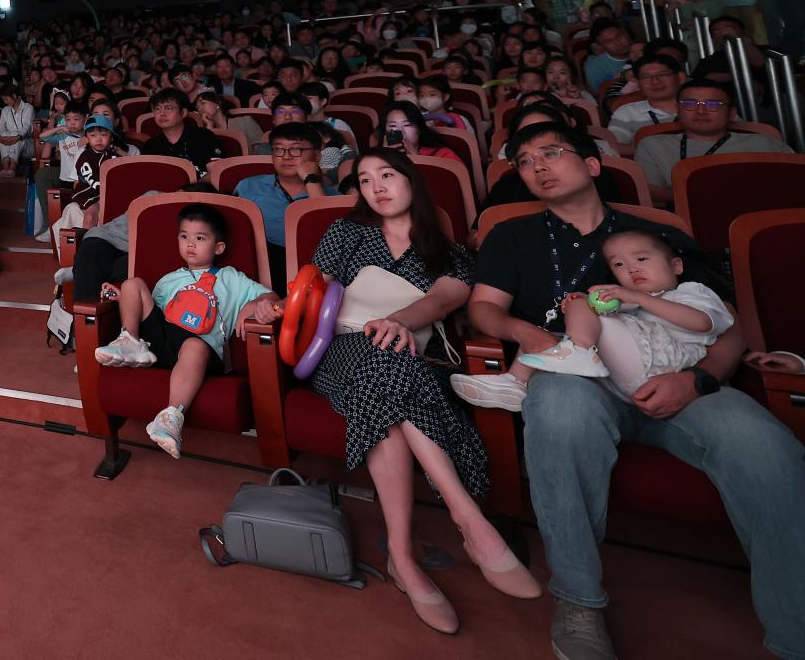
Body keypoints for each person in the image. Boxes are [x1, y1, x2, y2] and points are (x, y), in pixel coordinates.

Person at [459, 121, 805, 660]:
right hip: (579, 377)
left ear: (593, 164)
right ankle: (578, 600)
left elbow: (725, 325)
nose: (537, 166)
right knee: (559, 410)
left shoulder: (654, 235)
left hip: (676, 375)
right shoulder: (513, 234)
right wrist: (528, 334)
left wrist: (698, 380)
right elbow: (483, 308)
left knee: (767, 449)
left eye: (551, 153)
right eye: (524, 161)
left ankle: (795, 631)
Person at [303, 151, 539, 634]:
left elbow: (441, 300)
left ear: (411, 181)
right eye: (364, 180)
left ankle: (402, 557)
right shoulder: (346, 233)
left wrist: (395, 322)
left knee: (387, 391)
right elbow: (309, 291)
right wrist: (269, 302)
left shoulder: (450, 254)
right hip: (340, 352)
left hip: (407, 358)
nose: (376, 187)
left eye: (387, 175)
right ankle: (468, 518)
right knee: (384, 365)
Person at [90, 203, 277, 459]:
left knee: (194, 346)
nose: (190, 244)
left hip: (200, 348)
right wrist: (124, 298)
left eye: (200, 238)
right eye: (184, 236)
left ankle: (170, 418)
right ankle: (130, 341)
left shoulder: (231, 278)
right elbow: (150, 311)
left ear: (218, 247)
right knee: (132, 284)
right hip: (163, 341)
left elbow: (272, 296)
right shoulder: (169, 279)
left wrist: (256, 304)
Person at [518, 227, 732, 396]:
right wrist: (582, 304)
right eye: (619, 264)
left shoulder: (691, 291)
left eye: (641, 259)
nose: (632, 268)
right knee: (575, 308)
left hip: (668, 367)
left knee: (593, 321)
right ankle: (518, 379)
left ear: (676, 266)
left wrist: (638, 297)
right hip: (622, 379)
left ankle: (578, 350)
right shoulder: (627, 302)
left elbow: (703, 323)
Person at [630, 81, 789, 206]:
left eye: (713, 105)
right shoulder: (653, 145)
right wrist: (705, 197)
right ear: (678, 110)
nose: (701, 111)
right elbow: (649, 191)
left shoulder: (765, 144)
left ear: (731, 113)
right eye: (690, 104)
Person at [233, 124, 335, 291]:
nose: (286, 156)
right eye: (279, 149)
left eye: (296, 149)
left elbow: (327, 236)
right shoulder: (248, 187)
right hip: (257, 277)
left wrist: (311, 180)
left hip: (315, 275)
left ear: (316, 156)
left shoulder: (334, 197)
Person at [603, 54, 683, 146]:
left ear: (680, 78)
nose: (655, 81)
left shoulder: (696, 107)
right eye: (646, 77)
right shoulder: (626, 113)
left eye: (662, 75)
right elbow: (614, 148)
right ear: (637, 83)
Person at [139, 87, 222, 174]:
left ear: (183, 113)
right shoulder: (150, 146)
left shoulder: (203, 136)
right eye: (158, 109)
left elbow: (215, 173)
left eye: (168, 108)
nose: (162, 113)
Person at [0, 84, 36, 174]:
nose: (5, 102)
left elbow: (27, 127)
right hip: (10, 143)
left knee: (16, 137)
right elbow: (0, 127)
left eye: (6, 99)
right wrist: (0, 137)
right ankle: (6, 166)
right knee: (4, 135)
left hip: (28, 144)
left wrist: (17, 137)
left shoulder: (28, 108)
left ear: (14, 95)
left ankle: (12, 167)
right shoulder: (5, 110)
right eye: (4, 100)